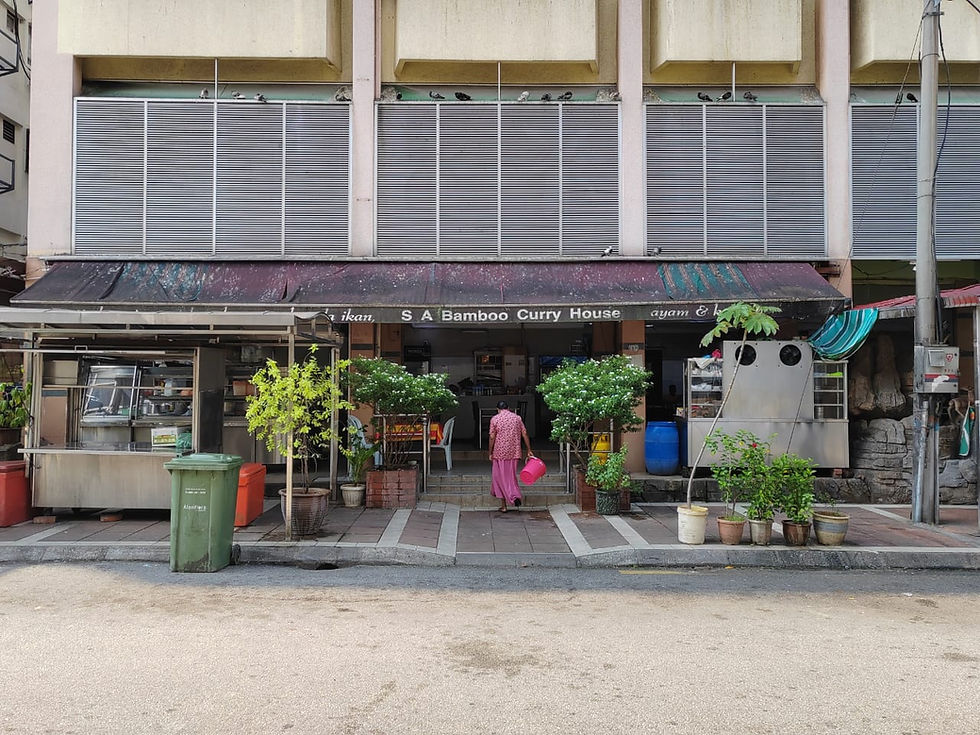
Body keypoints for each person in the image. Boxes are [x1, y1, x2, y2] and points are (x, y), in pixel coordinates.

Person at [488, 400, 533, 512]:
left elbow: (492, 437)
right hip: (514, 452)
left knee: (499, 478)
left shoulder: (495, 419)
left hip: (499, 453)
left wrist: (490, 452)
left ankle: (505, 504)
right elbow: (524, 433)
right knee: (510, 476)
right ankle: (513, 496)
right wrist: (529, 449)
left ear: (498, 409)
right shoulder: (517, 418)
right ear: (508, 408)